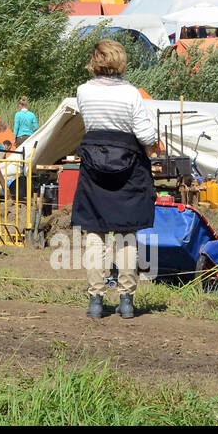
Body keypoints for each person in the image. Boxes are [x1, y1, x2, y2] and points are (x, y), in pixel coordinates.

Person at [74, 40, 157, 320]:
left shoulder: (83, 92)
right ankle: (126, 301)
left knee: (94, 234)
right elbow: (146, 137)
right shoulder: (131, 93)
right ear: (120, 61)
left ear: (95, 61)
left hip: (94, 168)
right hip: (129, 168)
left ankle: (96, 300)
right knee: (126, 234)